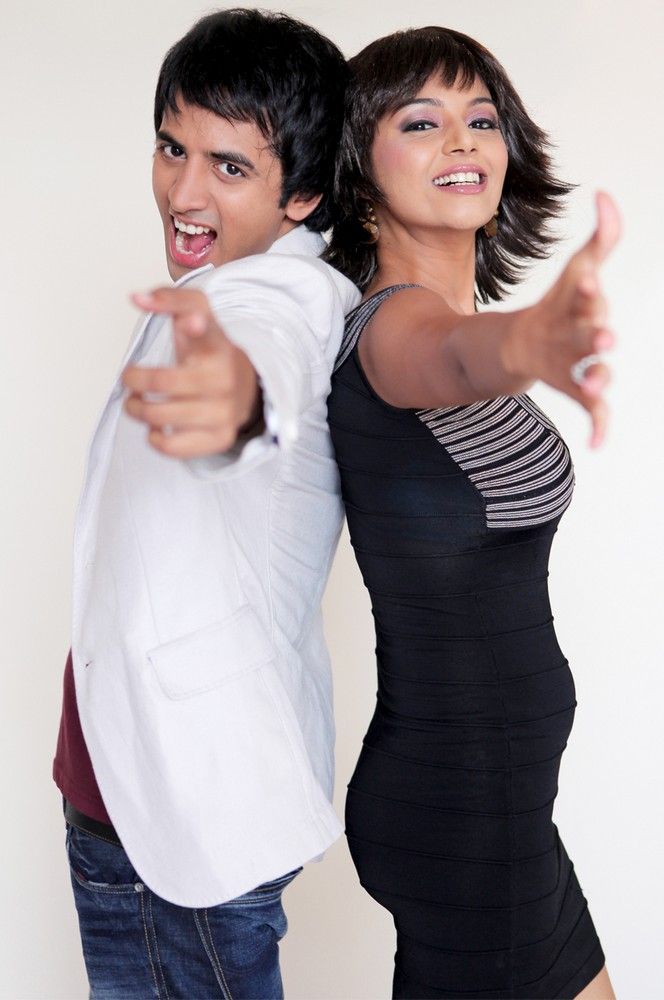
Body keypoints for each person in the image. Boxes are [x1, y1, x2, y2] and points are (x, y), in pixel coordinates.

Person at [52, 9, 359, 997]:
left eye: (229, 166)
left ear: (302, 195)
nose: (184, 193)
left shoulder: (280, 299)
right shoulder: (213, 284)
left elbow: (264, 373)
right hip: (124, 795)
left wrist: (236, 401)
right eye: (171, 147)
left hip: (186, 821)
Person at [326, 25, 619, 1000]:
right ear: (360, 174)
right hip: (461, 813)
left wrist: (519, 342)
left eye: (480, 119)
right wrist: (533, 340)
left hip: (497, 812)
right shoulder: (395, 326)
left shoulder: (440, 320)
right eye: (421, 122)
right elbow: (453, 355)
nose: (461, 140)